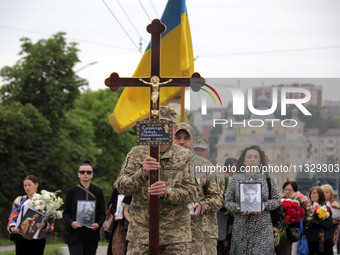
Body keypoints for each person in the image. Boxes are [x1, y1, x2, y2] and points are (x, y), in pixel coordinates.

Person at [114, 106, 198, 255]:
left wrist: (167, 192)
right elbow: (121, 187)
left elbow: (193, 192)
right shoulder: (137, 153)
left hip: (175, 235)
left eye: (166, 125)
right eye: (157, 125)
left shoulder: (186, 157)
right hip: (141, 234)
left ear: (174, 129)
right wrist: (142, 173)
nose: (161, 130)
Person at [175, 123, 223, 254]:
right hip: (172, 232)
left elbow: (217, 198)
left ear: (193, 141)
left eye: (186, 138)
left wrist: (202, 205)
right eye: (178, 137)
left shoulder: (205, 166)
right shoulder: (164, 165)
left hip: (202, 232)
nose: (182, 142)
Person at [224, 145, 281, 255]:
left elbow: (277, 200)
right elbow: (227, 201)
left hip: (263, 227)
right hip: (241, 226)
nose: (252, 159)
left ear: (260, 161)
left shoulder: (267, 178)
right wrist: (238, 208)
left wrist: (265, 205)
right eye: (249, 157)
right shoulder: (236, 178)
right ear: (244, 161)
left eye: (255, 157)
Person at [63, 160, 106, 255]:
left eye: (88, 172)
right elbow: (65, 213)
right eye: (82, 172)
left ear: (92, 175)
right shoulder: (71, 191)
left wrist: (98, 224)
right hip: (74, 235)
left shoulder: (98, 191)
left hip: (91, 235)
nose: (85, 174)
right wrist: (72, 223)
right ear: (78, 174)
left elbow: (102, 214)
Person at [7, 175, 54, 255]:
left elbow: (51, 220)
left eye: (29, 185)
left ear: (36, 185)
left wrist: (44, 225)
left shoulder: (45, 201)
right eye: (25, 186)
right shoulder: (19, 200)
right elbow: (13, 216)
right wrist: (12, 227)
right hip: (21, 237)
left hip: (38, 238)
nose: (27, 187)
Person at [217, 157, 237, 255]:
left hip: (233, 220)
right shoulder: (222, 180)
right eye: (234, 168)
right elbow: (217, 200)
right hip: (223, 219)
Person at [305, 186, 333, 255]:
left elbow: (329, 224)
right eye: (311, 193)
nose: (313, 195)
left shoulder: (325, 208)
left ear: (320, 195)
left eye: (315, 193)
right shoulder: (308, 207)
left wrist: (318, 222)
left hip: (323, 240)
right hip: (311, 239)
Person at [275, 181, 299, 255]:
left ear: (294, 191)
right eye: (286, 189)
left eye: (290, 190)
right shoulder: (279, 201)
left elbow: (298, 219)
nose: (287, 191)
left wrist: (289, 220)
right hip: (277, 231)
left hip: (288, 233)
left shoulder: (297, 203)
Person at [107, 187, 132, 255]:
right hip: (120, 224)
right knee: (117, 250)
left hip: (137, 226)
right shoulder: (118, 187)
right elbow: (110, 204)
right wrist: (115, 212)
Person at [321, 184, 340, 254]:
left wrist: (337, 220)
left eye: (327, 192)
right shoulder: (318, 204)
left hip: (332, 231)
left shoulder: (334, 204)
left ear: (331, 194)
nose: (325, 194)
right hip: (322, 231)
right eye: (323, 192)